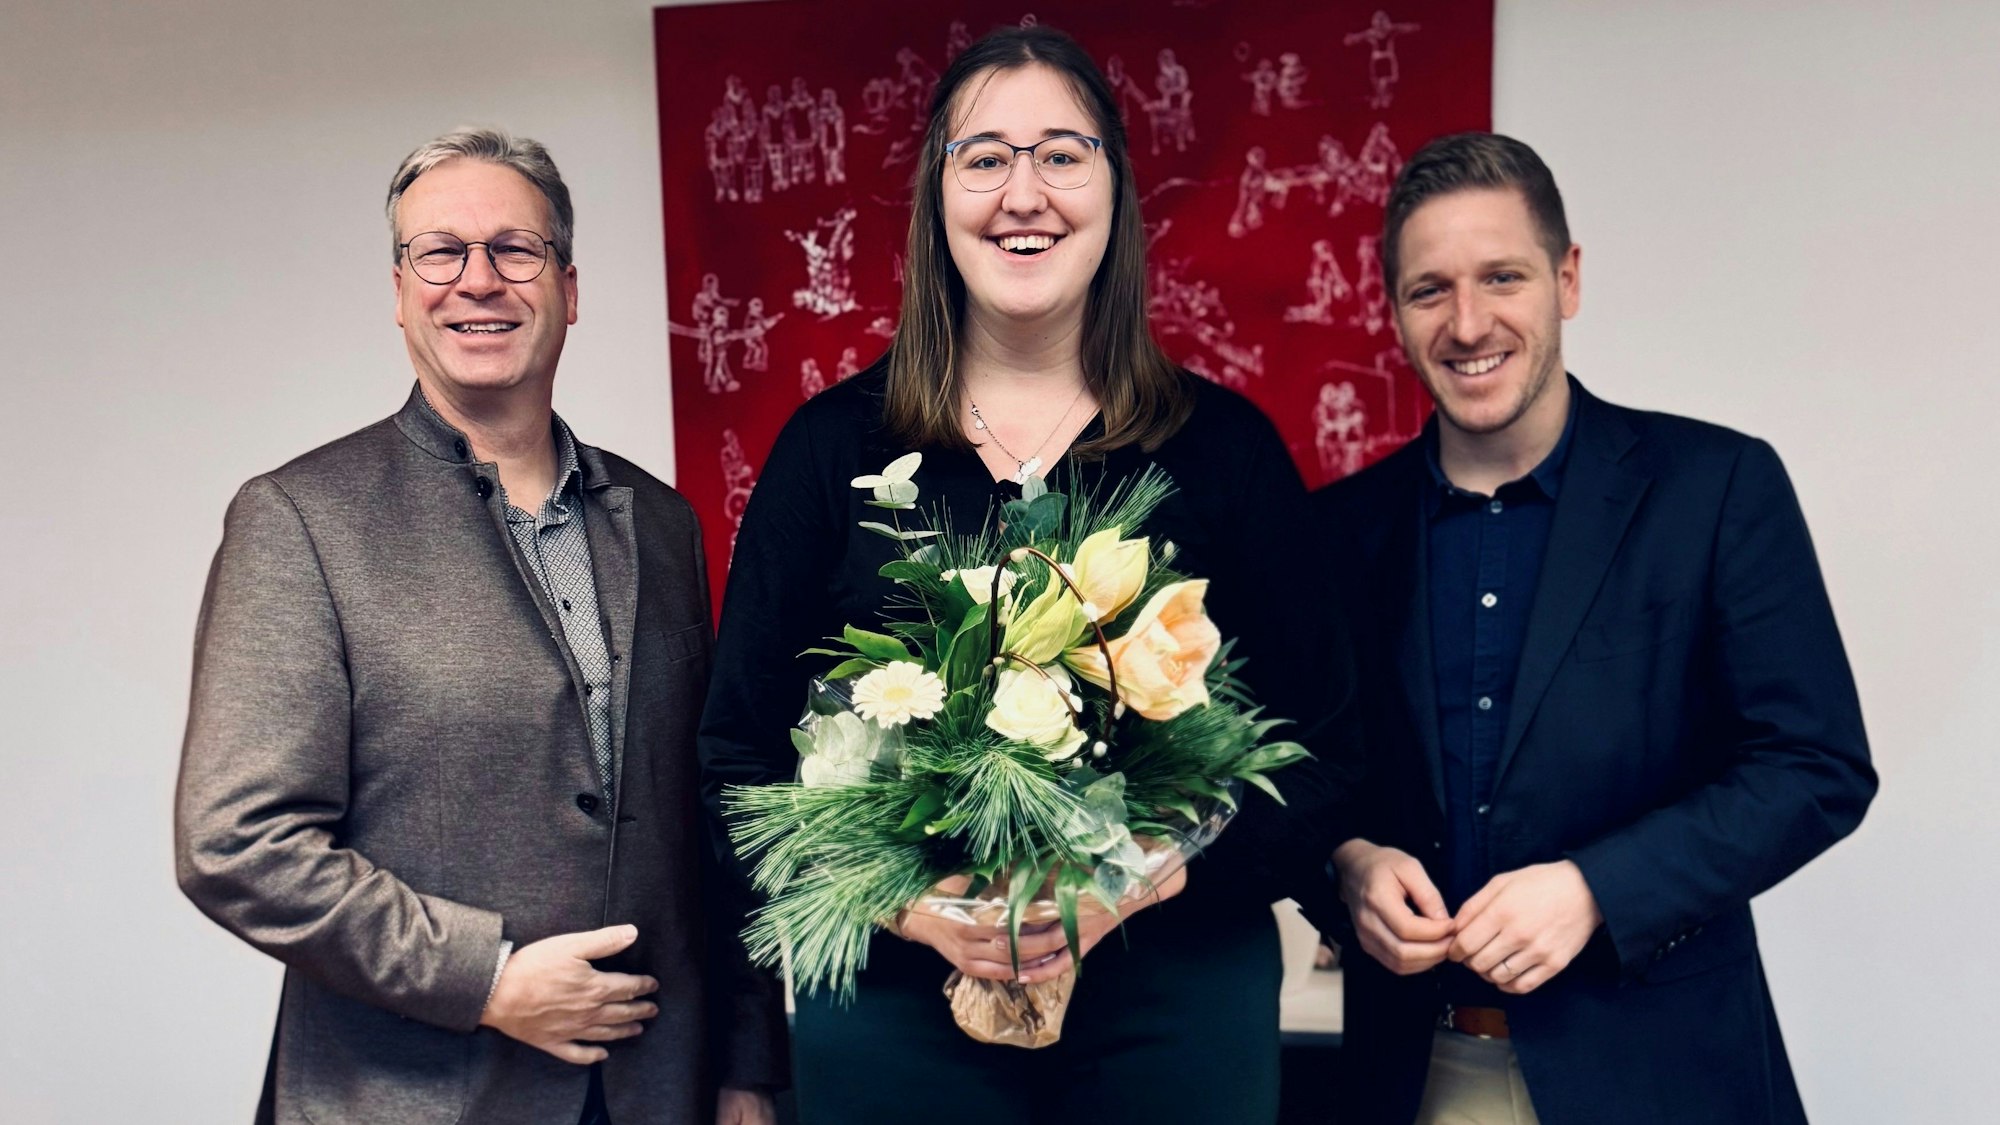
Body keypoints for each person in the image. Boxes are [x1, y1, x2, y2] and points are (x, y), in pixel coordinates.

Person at [699, 25, 1356, 1125]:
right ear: (936, 195)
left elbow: (1329, 749)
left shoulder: (1223, 450)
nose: (1024, 193)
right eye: (985, 157)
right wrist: (909, 906)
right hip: (894, 1008)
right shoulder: (829, 451)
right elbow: (735, 762)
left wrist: (1140, 881)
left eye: (1061, 154)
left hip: (1177, 1004)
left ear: (1114, 190)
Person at [174, 128, 784, 1125]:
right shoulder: (300, 520)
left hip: (657, 1090)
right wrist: (485, 978)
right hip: (408, 1097)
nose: (478, 279)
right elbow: (237, 843)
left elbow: (716, 816)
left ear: (569, 289)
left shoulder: (662, 522)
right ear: (399, 291)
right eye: (441, 252)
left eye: (514, 249)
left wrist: (748, 1067)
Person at [1311, 132, 1876, 1124]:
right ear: (1392, 310)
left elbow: (1813, 766)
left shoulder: (1715, 488)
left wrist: (1595, 889)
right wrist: (1343, 867)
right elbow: (1298, 782)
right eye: (1429, 290)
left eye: (1502, 277)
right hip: (1413, 1076)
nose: (1467, 323)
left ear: (1566, 279)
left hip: (1663, 1079)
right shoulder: (1336, 533)